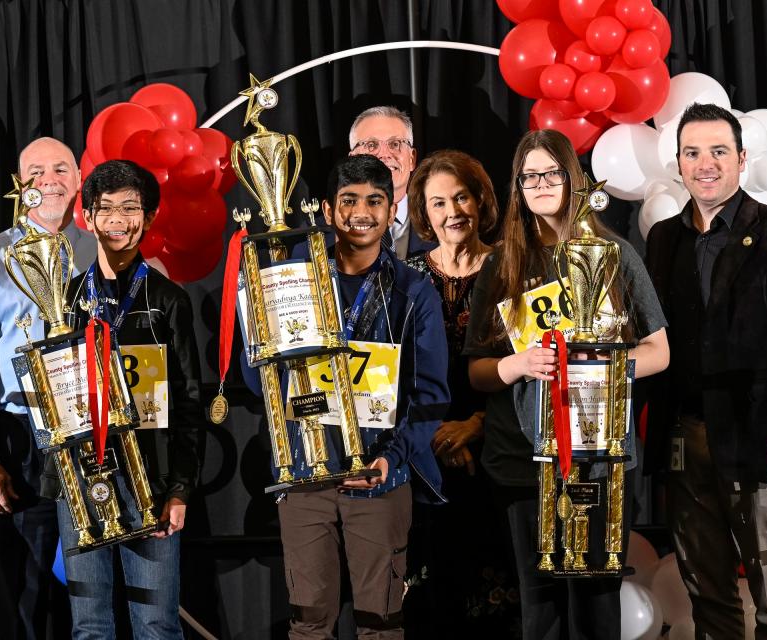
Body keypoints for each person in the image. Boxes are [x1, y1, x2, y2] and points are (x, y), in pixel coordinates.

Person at [463, 129, 669, 640]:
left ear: (572, 179)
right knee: (539, 607)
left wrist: (599, 368)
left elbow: (660, 352)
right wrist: (518, 365)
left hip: (598, 456)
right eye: (528, 176)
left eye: (550, 172)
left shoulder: (615, 253)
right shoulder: (503, 263)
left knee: (598, 600)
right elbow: (477, 371)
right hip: (521, 458)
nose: (539, 184)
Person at [242, 154, 449, 638]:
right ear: (329, 211)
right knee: (310, 621)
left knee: (380, 622)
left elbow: (432, 393)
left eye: (375, 200)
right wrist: (257, 316)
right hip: (304, 473)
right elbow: (258, 386)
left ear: (391, 207)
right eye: (349, 200)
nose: (362, 211)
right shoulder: (288, 281)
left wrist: (393, 460)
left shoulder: (413, 291)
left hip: (377, 475)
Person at [644, 102, 767, 638]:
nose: (705, 163)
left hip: (760, 441)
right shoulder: (662, 240)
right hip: (684, 438)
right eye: (692, 152)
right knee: (706, 592)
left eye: (719, 151)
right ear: (678, 163)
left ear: (742, 159)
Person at [41, 159, 203, 638]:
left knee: (155, 622)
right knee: (89, 626)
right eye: (105, 209)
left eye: (130, 208)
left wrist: (179, 489)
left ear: (149, 217)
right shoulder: (64, 303)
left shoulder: (170, 301)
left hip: (150, 482)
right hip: (82, 483)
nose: (117, 219)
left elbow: (189, 403)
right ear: (87, 218)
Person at [0, 137, 96, 639]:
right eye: (37, 170)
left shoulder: (103, 251)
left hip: (98, 437)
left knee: (98, 589)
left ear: (79, 180)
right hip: (22, 444)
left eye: (61, 168)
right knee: (29, 595)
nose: (50, 179)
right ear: (19, 183)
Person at [404, 150, 516, 636]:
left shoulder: (515, 272)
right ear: (424, 213)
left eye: (462, 197)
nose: (452, 212)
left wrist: (477, 426)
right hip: (422, 456)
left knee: (494, 605)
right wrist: (431, 434)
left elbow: (535, 368)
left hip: (497, 449)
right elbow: (388, 375)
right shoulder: (403, 279)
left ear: (481, 200)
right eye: (438, 203)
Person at [349, 105, 437, 260]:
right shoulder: (317, 239)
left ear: (412, 159)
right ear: (352, 160)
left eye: (395, 144)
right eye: (371, 145)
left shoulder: (444, 224)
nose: (384, 154)